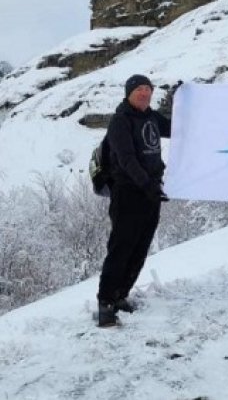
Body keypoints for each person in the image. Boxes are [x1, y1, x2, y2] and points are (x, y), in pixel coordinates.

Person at [96, 74, 171, 328]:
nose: (144, 93)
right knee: (121, 249)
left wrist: (185, 99)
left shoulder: (151, 116)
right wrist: (146, 184)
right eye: (139, 89)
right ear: (128, 92)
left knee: (140, 248)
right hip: (128, 193)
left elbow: (177, 127)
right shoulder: (120, 120)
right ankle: (105, 303)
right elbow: (126, 159)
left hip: (151, 192)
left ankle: (120, 296)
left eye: (148, 89)